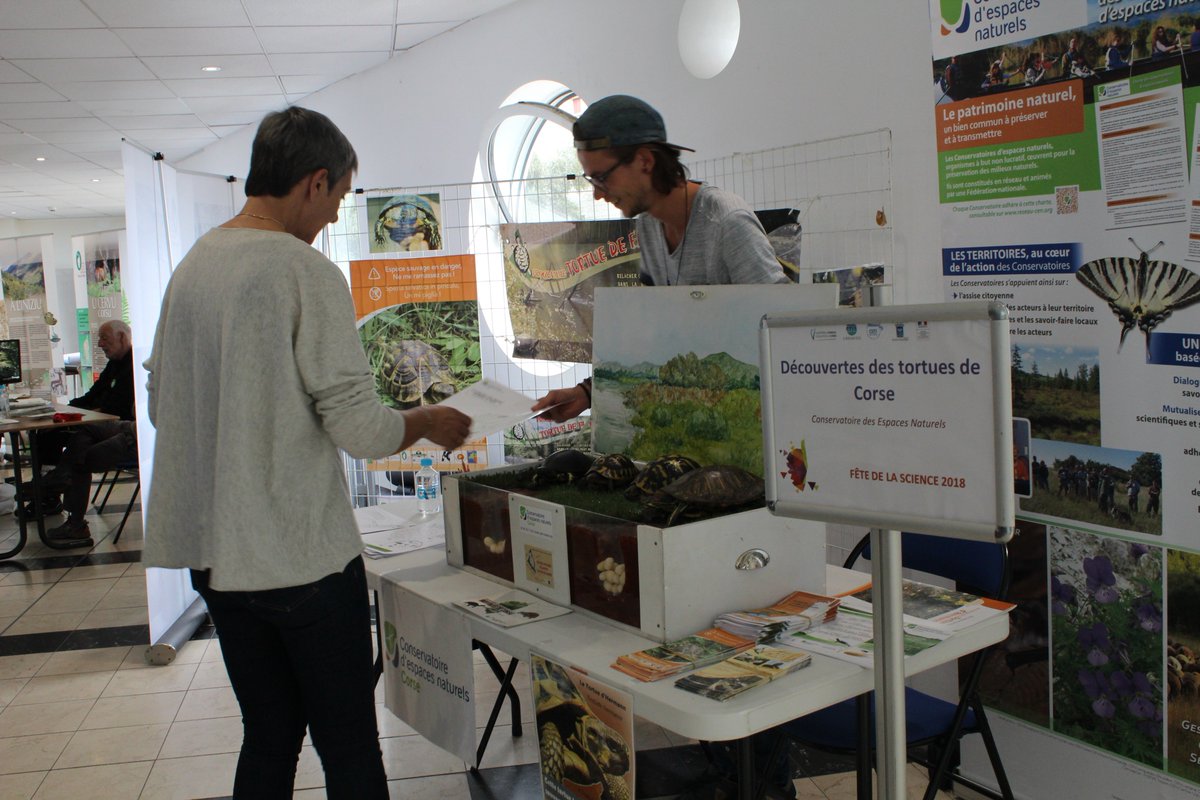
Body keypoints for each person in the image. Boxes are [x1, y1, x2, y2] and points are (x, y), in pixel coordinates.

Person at [141, 107, 471, 799]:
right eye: (340, 200)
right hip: (302, 563)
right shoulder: (303, 271)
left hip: (217, 557)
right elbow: (361, 429)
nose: (329, 218)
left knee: (268, 733)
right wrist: (426, 420)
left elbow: (159, 404)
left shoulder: (195, 264)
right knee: (347, 742)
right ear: (316, 182)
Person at [531, 95, 788, 423]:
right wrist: (586, 393)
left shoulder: (726, 223)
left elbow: (784, 331)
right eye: (591, 180)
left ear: (645, 161)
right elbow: (653, 337)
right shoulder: (649, 229)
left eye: (602, 177)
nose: (597, 192)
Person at [26, 319, 136, 523]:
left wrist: (81, 413)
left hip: (121, 427)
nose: (99, 344)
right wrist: (67, 408)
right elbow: (93, 395)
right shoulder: (114, 364)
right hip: (101, 423)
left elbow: (116, 408)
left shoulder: (135, 365)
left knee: (78, 444)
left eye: (104, 338)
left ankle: (52, 489)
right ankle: (51, 490)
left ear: (122, 337)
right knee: (49, 433)